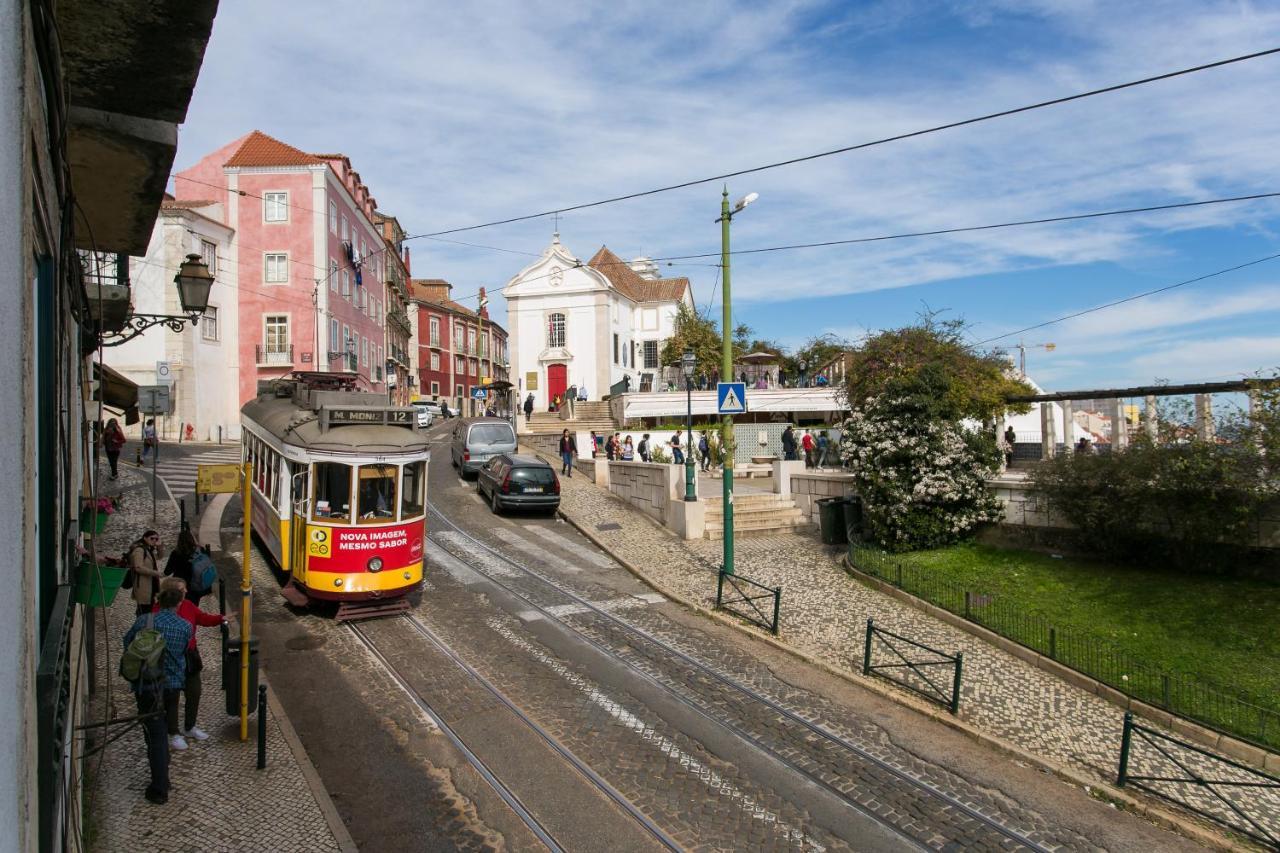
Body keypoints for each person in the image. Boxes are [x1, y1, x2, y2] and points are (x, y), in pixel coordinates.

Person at [123, 582, 192, 804]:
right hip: (172, 687)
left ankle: (159, 788)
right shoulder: (184, 627)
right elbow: (184, 651)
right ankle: (163, 771)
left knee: (155, 735)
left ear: (159, 602)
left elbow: (128, 644)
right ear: (179, 604)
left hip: (148, 687)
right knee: (164, 730)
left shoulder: (145, 621)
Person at [152, 578, 225, 749]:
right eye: (181, 589)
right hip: (169, 659)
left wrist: (221, 618)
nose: (185, 591)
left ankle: (189, 726)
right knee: (172, 696)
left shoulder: (189, 606)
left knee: (194, 691)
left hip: (190, 656)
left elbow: (202, 618)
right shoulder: (157, 612)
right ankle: (174, 732)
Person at [164, 530, 208, 606]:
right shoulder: (200, 551)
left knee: (180, 608)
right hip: (195, 585)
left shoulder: (176, 553)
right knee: (193, 607)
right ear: (192, 539)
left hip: (180, 586)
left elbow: (167, 571)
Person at [129, 530, 164, 616]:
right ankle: (142, 628)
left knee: (149, 610)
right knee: (144, 611)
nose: (154, 541)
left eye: (156, 539)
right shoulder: (140, 550)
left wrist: (159, 547)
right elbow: (138, 567)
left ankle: (147, 627)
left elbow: (160, 556)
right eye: (152, 538)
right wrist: (155, 573)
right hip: (143, 586)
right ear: (145, 538)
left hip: (151, 585)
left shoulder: (148, 550)